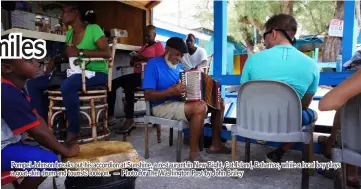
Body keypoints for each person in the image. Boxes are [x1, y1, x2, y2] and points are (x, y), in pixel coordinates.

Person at [26, 3, 111, 145]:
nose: (61, 16)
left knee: (67, 85)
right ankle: (44, 127)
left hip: (97, 73)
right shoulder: (70, 34)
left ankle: (73, 131)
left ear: (75, 12)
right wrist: (55, 60)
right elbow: (68, 55)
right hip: (76, 72)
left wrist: (80, 52)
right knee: (33, 84)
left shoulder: (93, 29)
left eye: (64, 12)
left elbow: (107, 53)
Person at [240, 14, 320, 162]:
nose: (264, 41)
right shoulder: (312, 65)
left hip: (255, 121)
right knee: (312, 115)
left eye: (265, 36)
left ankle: (261, 136)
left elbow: (243, 96)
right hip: (289, 123)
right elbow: (304, 105)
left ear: (274, 33)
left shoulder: (253, 60)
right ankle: (282, 151)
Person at [142, 37, 231, 161]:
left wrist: (196, 91)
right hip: (161, 106)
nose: (179, 59)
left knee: (219, 102)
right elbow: (148, 95)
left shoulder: (179, 68)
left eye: (181, 56)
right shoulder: (154, 64)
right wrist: (170, 91)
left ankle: (216, 144)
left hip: (179, 102)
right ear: (167, 49)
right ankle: (194, 154)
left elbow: (183, 91)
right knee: (200, 107)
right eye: (177, 54)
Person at [1, 59, 79, 189]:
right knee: (47, 161)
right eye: (29, 61)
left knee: (43, 153)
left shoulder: (15, 87)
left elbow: (38, 121)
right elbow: (37, 133)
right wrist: (65, 151)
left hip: (8, 143)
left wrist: (57, 147)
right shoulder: (7, 93)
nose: (37, 64)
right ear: (7, 68)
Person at [107, 25, 165, 133]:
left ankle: (129, 119)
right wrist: (134, 60)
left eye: (148, 36)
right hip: (137, 74)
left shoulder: (159, 45)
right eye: (145, 36)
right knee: (113, 83)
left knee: (129, 85)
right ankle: (111, 115)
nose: (146, 39)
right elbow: (136, 61)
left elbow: (161, 63)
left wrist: (144, 58)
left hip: (149, 77)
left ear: (154, 35)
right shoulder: (143, 47)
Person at [317, 70, 361, 188]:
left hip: (355, 145)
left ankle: (331, 142)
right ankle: (352, 175)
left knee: (347, 101)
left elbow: (325, 104)